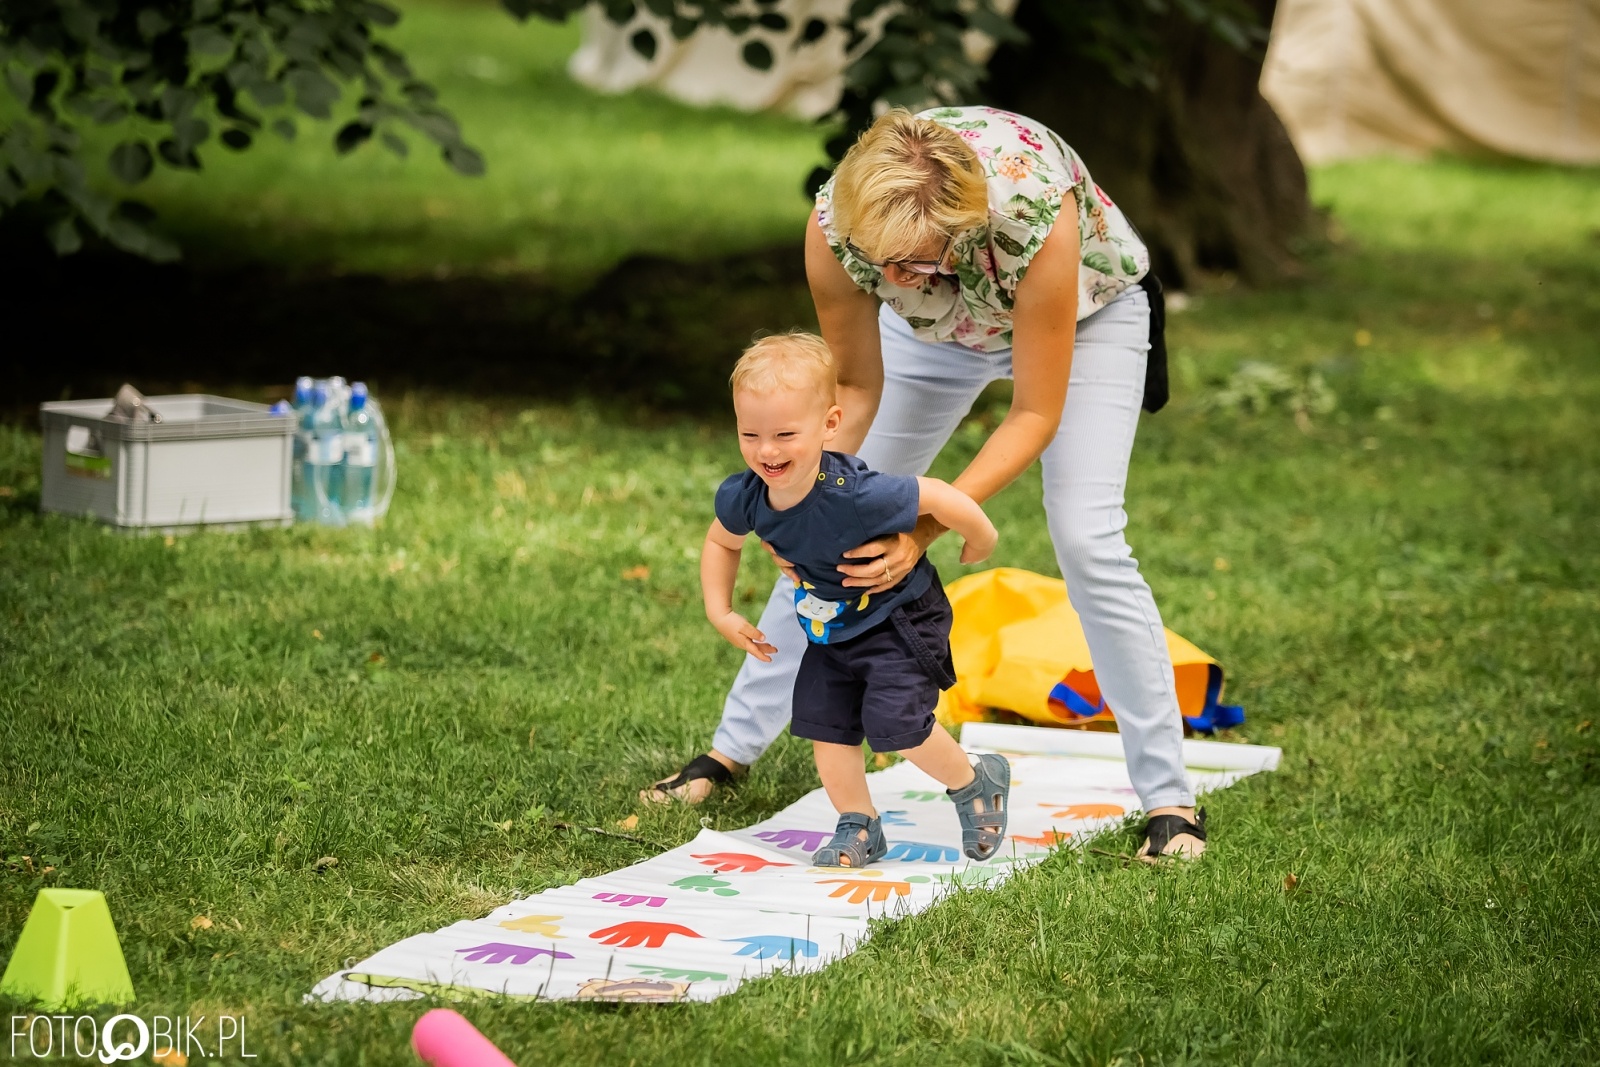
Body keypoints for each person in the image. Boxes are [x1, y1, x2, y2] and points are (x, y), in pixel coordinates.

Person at [647, 105, 1207, 861]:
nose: (905, 279)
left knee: (1087, 533)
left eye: (924, 259)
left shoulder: (1032, 214)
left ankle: (1170, 798)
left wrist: (925, 527)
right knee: (824, 523)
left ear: (965, 226)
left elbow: (1035, 412)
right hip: (939, 337)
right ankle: (728, 750)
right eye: (891, 267)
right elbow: (854, 383)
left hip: (1089, 317)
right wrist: (807, 504)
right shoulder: (834, 231)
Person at [701, 333, 1010, 867]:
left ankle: (973, 780)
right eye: (749, 433)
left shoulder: (856, 494)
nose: (766, 450)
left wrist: (981, 538)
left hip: (901, 618)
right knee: (827, 726)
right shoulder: (747, 494)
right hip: (833, 627)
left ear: (829, 425)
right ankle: (859, 825)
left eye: (784, 434)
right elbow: (720, 541)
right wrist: (720, 609)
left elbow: (937, 494)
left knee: (897, 726)